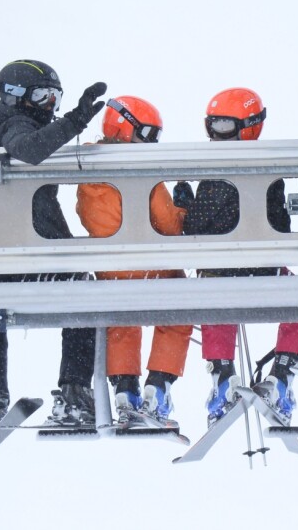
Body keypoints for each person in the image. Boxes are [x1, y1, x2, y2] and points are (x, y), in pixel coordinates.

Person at [0, 59, 107, 450]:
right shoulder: (12, 122)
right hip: (30, 249)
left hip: (0, 252)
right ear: (17, 96)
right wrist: (76, 120)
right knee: (85, 293)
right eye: (44, 97)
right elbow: (28, 150)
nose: (51, 106)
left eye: (55, 98)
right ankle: (75, 392)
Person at [173, 88, 298, 426]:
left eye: (222, 126)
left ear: (247, 126)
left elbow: (196, 224)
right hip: (264, 271)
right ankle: (283, 373)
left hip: (223, 273)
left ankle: (223, 375)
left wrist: (184, 202)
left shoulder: (216, 170)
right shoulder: (271, 167)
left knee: (215, 296)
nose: (215, 136)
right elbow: (280, 223)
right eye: (212, 126)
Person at [76, 96, 193, 422]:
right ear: (127, 129)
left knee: (122, 321)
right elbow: (170, 225)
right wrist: (184, 209)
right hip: (153, 271)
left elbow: (86, 218)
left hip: (111, 274)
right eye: (147, 135)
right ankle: (159, 384)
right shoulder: (144, 174)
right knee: (179, 305)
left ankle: (125, 386)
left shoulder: (88, 174)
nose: (151, 144)